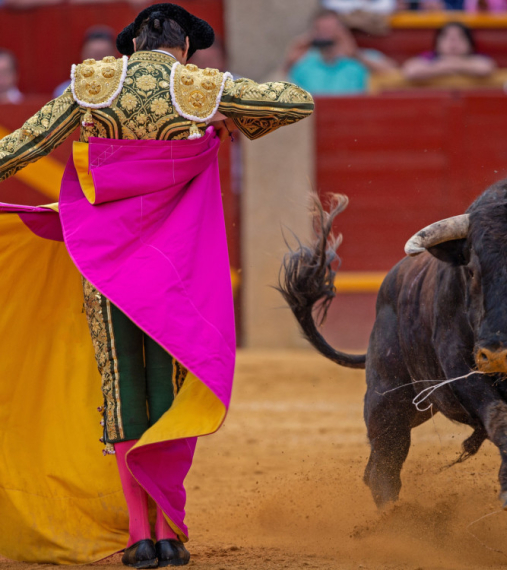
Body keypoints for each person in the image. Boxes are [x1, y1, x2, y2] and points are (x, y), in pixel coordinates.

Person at [0, 3, 313, 568]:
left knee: (123, 388)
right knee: (163, 390)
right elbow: (297, 102)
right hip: (171, 269)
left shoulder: (91, 82)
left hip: (103, 264)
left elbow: (18, 149)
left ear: (133, 47)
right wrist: (227, 118)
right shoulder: (201, 86)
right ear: (185, 49)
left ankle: (140, 537)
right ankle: (169, 533)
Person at [285, 9, 396, 95]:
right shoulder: (304, 63)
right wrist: (291, 59)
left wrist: (355, 54)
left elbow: (393, 72)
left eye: (332, 30)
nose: (327, 35)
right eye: (322, 30)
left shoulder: (360, 59)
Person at [402, 22, 496, 82]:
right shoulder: (430, 57)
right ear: (437, 43)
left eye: (460, 37)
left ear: (470, 43)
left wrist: (452, 64)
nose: (453, 42)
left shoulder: (476, 57)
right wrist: (442, 67)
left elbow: (486, 68)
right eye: (447, 37)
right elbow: (411, 71)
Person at [53, 26, 117, 97]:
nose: (98, 61)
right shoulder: (65, 91)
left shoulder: (126, 89)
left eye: (104, 55)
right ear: (82, 54)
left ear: (115, 56)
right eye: (94, 55)